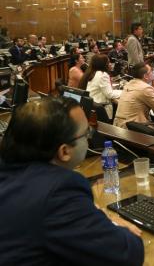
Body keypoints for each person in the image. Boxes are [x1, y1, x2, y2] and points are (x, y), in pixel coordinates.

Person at [0, 97, 144, 265]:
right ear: (64, 151)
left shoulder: (9, 171)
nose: (89, 138)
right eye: (86, 133)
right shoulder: (59, 192)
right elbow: (128, 254)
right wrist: (109, 222)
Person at [113, 62, 154, 129]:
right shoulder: (145, 88)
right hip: (133, 131)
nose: (153, 73)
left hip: (119, 127)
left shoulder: (128, 84)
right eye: (151, 71)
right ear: (145, 76)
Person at [79, 54, 122, 119]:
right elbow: (110, 94)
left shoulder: (92, 72)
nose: (110, 64)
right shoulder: (102, 75)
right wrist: (124, 92)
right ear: (103, 64)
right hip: (102, 111)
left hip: (92, 109)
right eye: (108, 62)